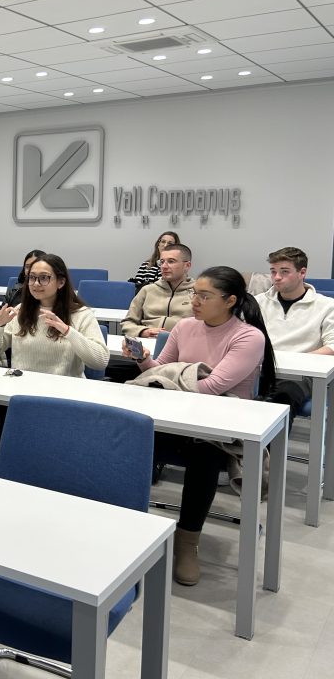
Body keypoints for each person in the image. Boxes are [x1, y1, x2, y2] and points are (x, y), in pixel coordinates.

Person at [124, 266, 276, 586]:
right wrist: (141, 359)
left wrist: (169, 382)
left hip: (220, 428)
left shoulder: (249, 337)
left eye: (204, 296)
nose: (194, 301)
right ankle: (128, 524)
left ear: (230, 300)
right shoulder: (184, 327)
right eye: (195, 294)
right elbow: (160, 371)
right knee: (129, 437)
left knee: (204, 455)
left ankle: (187, 540)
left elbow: (213, 386)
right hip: (178, 416)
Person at [0, 253, 108, 377]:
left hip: (64, 387)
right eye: (32, 277)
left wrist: (67, 331)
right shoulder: (20, 311)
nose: (36, 283)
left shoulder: (81, 314)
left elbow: (100, 362)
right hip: (24, 384)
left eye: (44, 278)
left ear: (61, 282)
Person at [256, 247, 334, 415]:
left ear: (302, 272)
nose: (277, 277)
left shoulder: (327, 306)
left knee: (282, 397)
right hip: (262, 369)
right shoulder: (258, 302)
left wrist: (295, 361)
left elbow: (332, 347)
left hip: (301, 374)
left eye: (284, 271)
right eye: (273, 271)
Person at [120, 243, 195, 338]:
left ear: (187, 266)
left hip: (183, 343)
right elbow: (128, 322)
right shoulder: (147, 290)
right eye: (162, 262)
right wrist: (143, 331)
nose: (164, 266)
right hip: (148, 342)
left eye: (171, 261)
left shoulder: (198, 293)